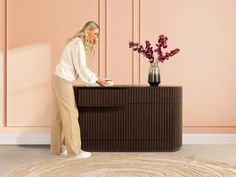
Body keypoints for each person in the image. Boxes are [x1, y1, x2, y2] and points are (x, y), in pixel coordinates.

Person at [50, 21, 107, 158]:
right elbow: (81, 67)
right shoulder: (78, 44)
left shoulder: (74, 42)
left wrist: (93, 79)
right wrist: (96, 79)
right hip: (63, 81)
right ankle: (75, 151)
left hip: (57, 79)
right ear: (88, 30)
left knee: (58, 117)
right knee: (71, 115)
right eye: (95, 33)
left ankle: (56, 148)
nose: (96, 37)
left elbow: (78, 68)